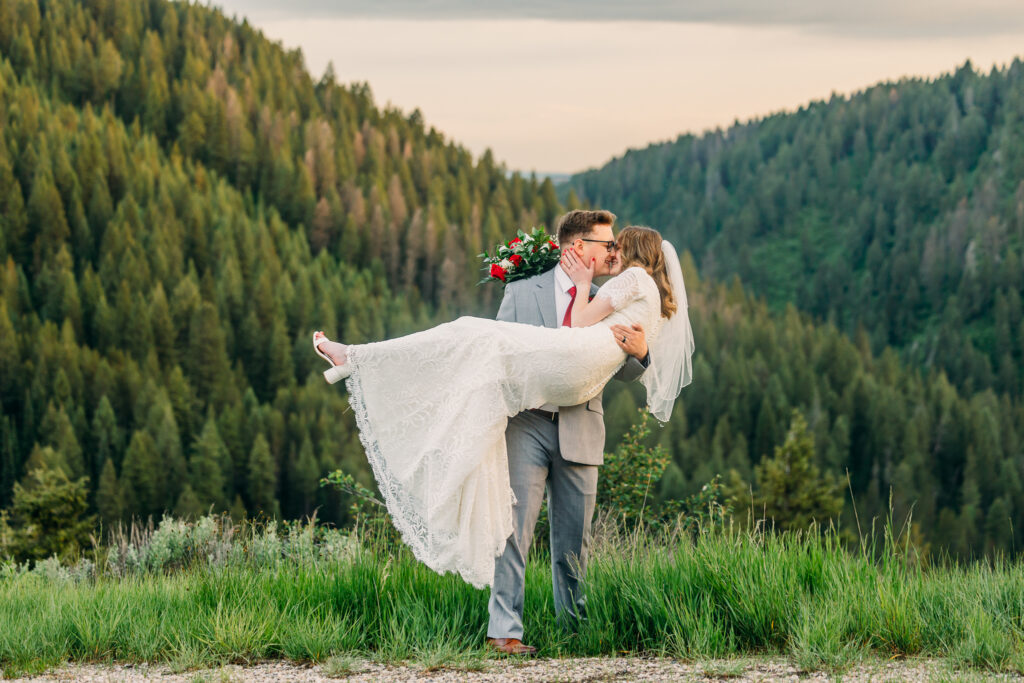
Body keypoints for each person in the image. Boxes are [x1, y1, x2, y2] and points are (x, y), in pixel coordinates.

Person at [312, 219, 694, 600]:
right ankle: (510, 633)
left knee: (467, 334)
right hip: (548, 401)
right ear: (578, 245)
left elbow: (586, 329)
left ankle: (360, 360)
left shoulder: (622, 284)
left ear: (632, 251)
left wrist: (633, 344)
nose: (613, 253)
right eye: (607, 244)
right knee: (512, 533)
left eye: (618, 246)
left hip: (576, 391)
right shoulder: (647, 297)